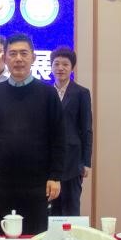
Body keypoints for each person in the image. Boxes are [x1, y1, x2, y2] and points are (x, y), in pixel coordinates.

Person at [0, 32, 64, 235]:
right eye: (13, 54)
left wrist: (55, 176)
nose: (18, 59)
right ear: (5, 58)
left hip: (36, 183)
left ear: (33, 57)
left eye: (24, 53)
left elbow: (59, 137)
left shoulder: (48, 94)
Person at [49, 46, 93, 217]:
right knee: (51, 209)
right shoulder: (46, 92)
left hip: (73, 160)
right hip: (50, 160)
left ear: (72, 67)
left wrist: (86, 162)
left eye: (65, 64)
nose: (60, 68)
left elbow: (86, 128)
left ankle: (71, 235)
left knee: (71, 207)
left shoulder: (81, 93)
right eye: (56, 64)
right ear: (51, 66)